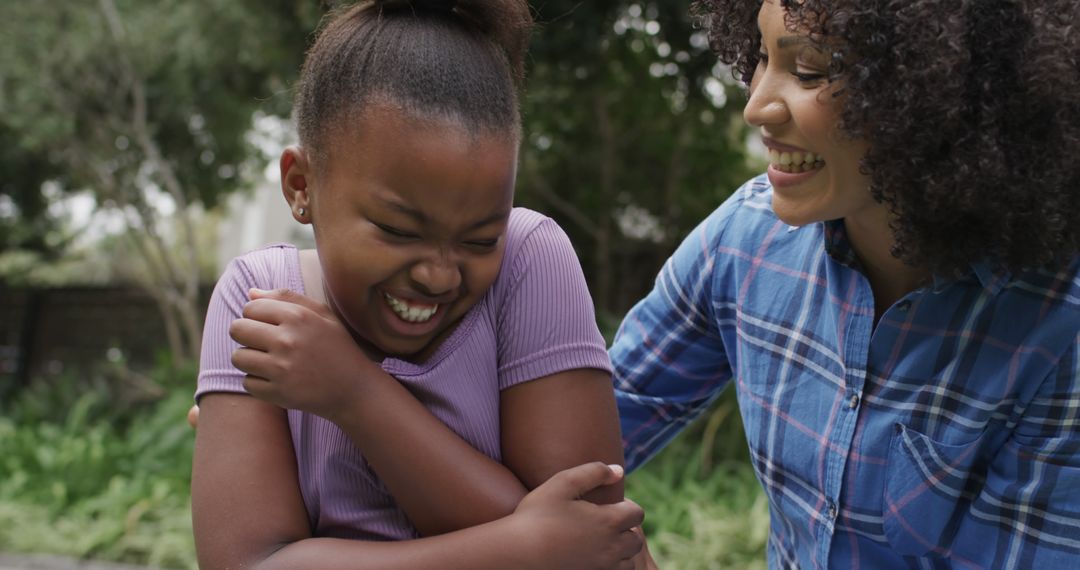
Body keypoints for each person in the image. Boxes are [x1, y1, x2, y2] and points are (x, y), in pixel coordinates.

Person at [612, 0, 1080, 567]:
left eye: (808, 69)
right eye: (761, 58)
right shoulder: (743, 240)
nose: (756, 106)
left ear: (938, 94)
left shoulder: (1059, 325)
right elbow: (602, 420)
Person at [192, 1, 650, 568]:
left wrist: (357, 395)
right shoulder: (258, 299)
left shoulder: (529, 256)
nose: (439, 274)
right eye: (397, 229)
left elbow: (594, 540)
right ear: (300, 184)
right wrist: (522, 547)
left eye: (480, 239)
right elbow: (246, 562)